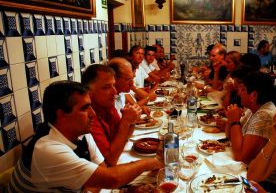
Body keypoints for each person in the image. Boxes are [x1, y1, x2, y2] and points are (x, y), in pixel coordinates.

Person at [6, 81, 163, 192]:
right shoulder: (47, 149)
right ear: (62, 115)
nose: (92, 114)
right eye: (85, 108)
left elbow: (103, 172)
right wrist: (152, 162)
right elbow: (112, 178)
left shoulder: (81, 133)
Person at [81, 64, 142, 166]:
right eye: (106, 87)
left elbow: (125, 136)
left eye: (113, 85)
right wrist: (125, 122)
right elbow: (110, 160)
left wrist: (132, 120)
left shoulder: (108, 105)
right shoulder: (88, 117)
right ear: (89, 92)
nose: (115, 91)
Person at [225, 72, 276, 164]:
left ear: (254, 95)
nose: (239, 94)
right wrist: (231, 120)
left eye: (243, 90)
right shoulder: (252, 109)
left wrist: (235, 121)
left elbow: (241, 157)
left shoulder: (264, 115)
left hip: (261, 176)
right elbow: (229, 137)